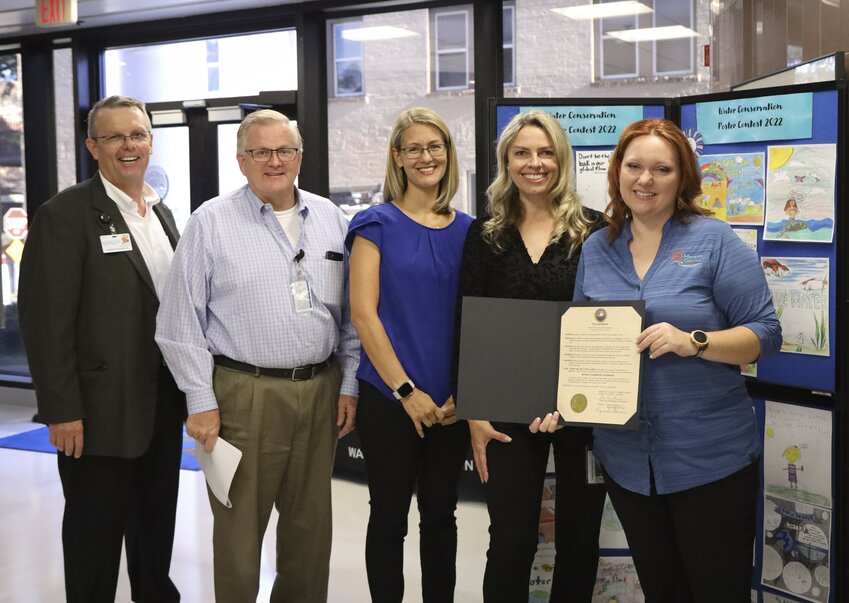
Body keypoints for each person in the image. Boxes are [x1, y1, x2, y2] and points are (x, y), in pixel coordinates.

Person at [572, 118, 781, 601]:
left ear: (682, 177)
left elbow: (766, 335)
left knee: (717, 591)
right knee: (663, 591)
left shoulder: (715, 241)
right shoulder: (596, 250)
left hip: (709, 460)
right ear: (617, 172)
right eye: (635, 166)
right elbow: (583, 342)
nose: (645, 180)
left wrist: (696, 341)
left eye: (662, 169)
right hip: (626, 461)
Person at [155, 109, 359, 603]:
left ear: (300, 157)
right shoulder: (210, 222)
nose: (274, 161)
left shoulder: (332, 218)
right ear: (241, 161)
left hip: (320, 389)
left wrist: (349, 383)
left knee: (311, 528)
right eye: (261, 152)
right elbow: (179, 323)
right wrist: (200, 400)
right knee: (240, 531)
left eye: (285, 150)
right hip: (242, 394)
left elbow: (352, 316)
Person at [18, 95, 186, 603]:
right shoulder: (65, 215)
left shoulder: (163, 213)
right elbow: (46, 323)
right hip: (95, 414)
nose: (128, 146)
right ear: (93, 146)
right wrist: (61, 410)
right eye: (114, 137)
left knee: (155, 531)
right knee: (95, 541)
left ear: (151, 140)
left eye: (137, 134)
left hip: (160, 404)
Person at [455, 109, 606, 602]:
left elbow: (609, 318)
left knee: (581, 540)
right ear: (506, 161)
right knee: (511, 540)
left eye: (545, 153)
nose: (534, 163)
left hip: (582, 408)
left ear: (561, 159)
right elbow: (467, 323)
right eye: (522, 153)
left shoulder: (594, 231)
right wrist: (474, 410)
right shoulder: (486, 234)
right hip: (505, 408)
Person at [347, 107, 472, 603]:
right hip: (389, 398)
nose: (426, 156)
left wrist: (468, 389)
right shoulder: (374, 223)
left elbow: (476, 317)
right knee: (389, 517)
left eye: (435, 146)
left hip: (451, 403)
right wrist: (405, 391)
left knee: (442, 517)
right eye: (414, 148)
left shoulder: (470, 230)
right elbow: (364, 315)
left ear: (448, 154)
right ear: (397, 157)